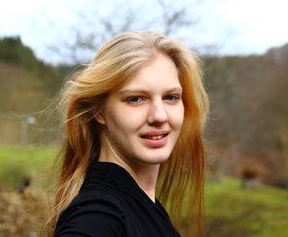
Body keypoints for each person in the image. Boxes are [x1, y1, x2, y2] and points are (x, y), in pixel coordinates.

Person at [45, 31, 209, 236]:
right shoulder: (98, 217)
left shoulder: (142, 205)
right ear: (99, 111)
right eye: (136, 99)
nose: (159, 116)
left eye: (171, 97)